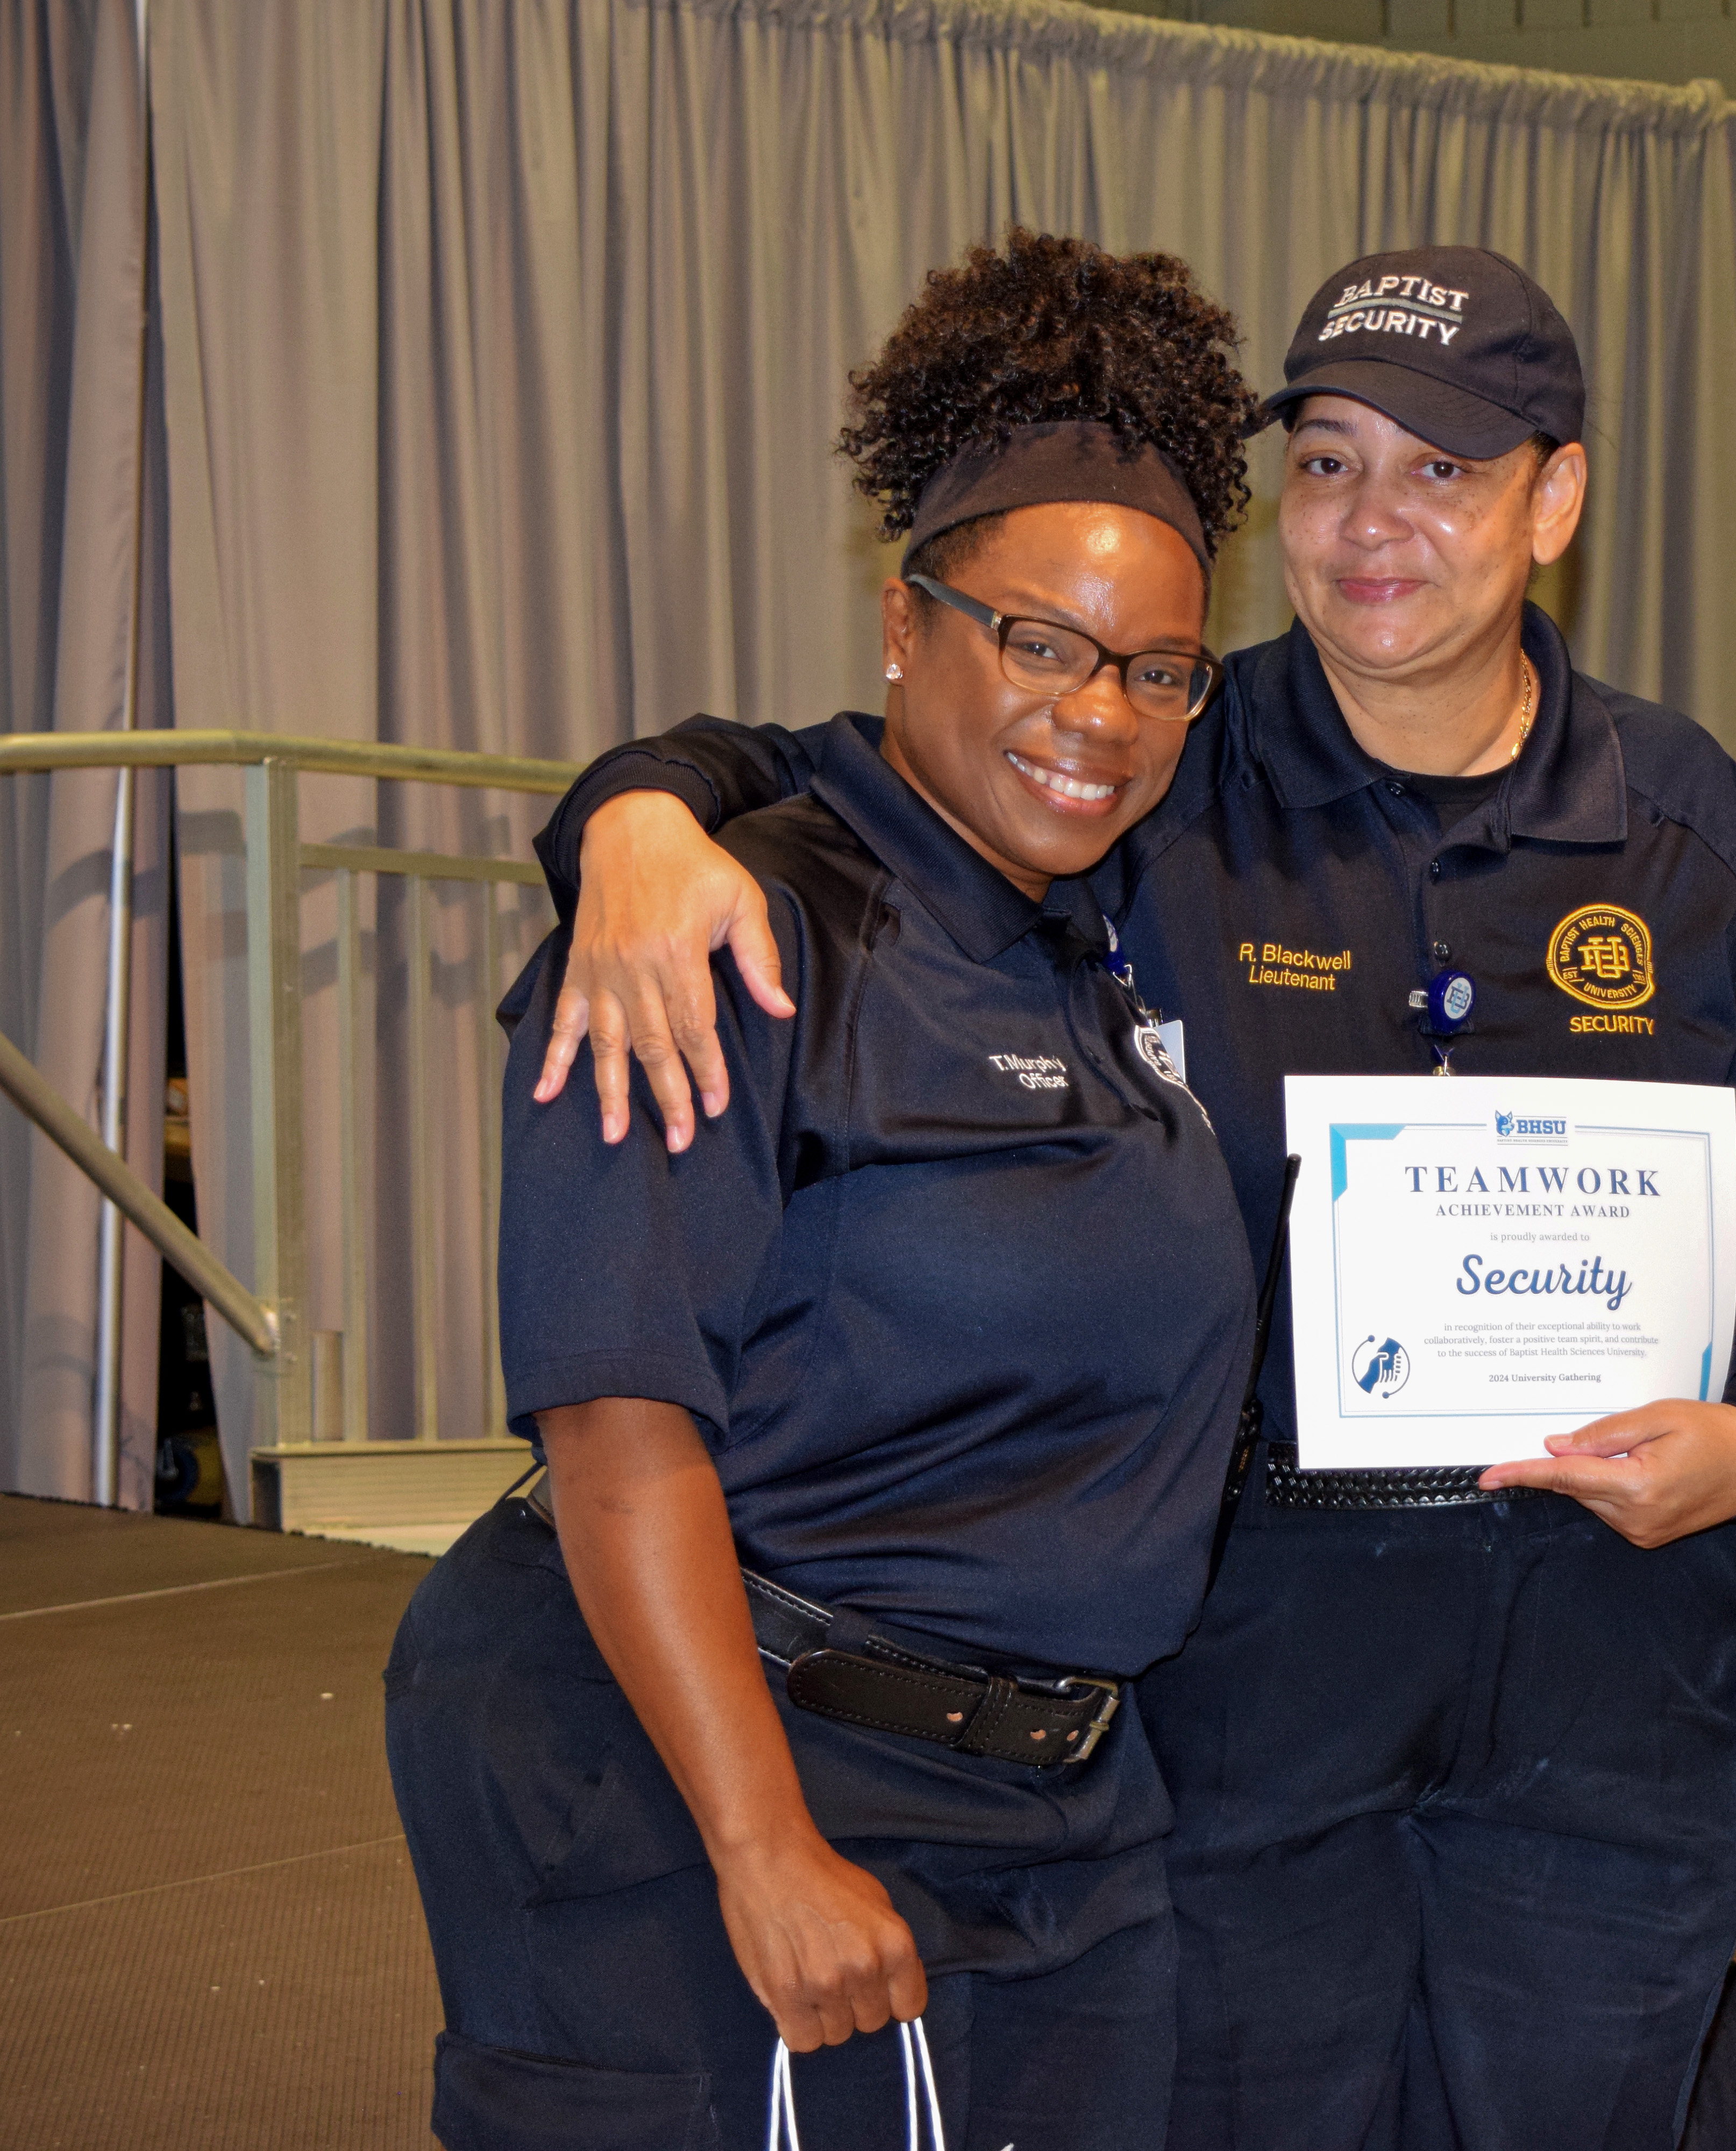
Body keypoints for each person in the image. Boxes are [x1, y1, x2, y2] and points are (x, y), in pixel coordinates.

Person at [514, 244, 1736, 2150]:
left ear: (1557, 501)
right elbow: (861, 781)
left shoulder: (1681, 805)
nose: (1373, 522)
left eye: (1444, 470)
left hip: (1605, 1668)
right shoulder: (1155, 756)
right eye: (1324, 465)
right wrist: (637, 815)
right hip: (1247, 1680)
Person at [382, 232, 1262, 2150]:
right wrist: (762, 1842)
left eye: (1160, 672)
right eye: (1040, 643)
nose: (1098, 715)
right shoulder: (728, 930)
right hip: (712, 1776)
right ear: (905, 624)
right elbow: (620, 1428)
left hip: (1051, 1801)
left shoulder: (1082, 933)